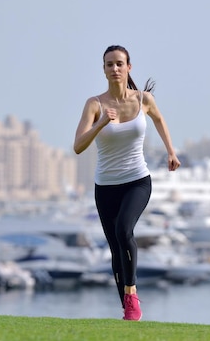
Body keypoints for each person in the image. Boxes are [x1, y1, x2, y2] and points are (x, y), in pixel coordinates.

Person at [74, 45, 181, 321]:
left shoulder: (143, 99)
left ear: (129, 67)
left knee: (124, 231)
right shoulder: (94, 104)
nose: (115, 69)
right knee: (115, 248)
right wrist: (99, 125)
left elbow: (159, 119)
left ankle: (132, 296)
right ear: (104, 69)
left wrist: (171, 151)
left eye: (120, 64)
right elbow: (78, 146)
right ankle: (126, 304)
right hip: (105, 186)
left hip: (137, 180)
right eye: (109, 64)